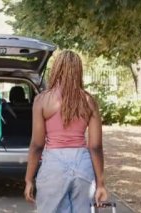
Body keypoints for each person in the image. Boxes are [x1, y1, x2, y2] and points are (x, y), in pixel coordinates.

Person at [24, 50, 108, 212]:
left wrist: (29, 179)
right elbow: (95, 147)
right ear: (79, 70)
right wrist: (100, 183)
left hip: (53, 164)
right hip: (82, 163)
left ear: (56, 69)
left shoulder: (43, 100)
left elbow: (37, 144)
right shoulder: (89, 101)